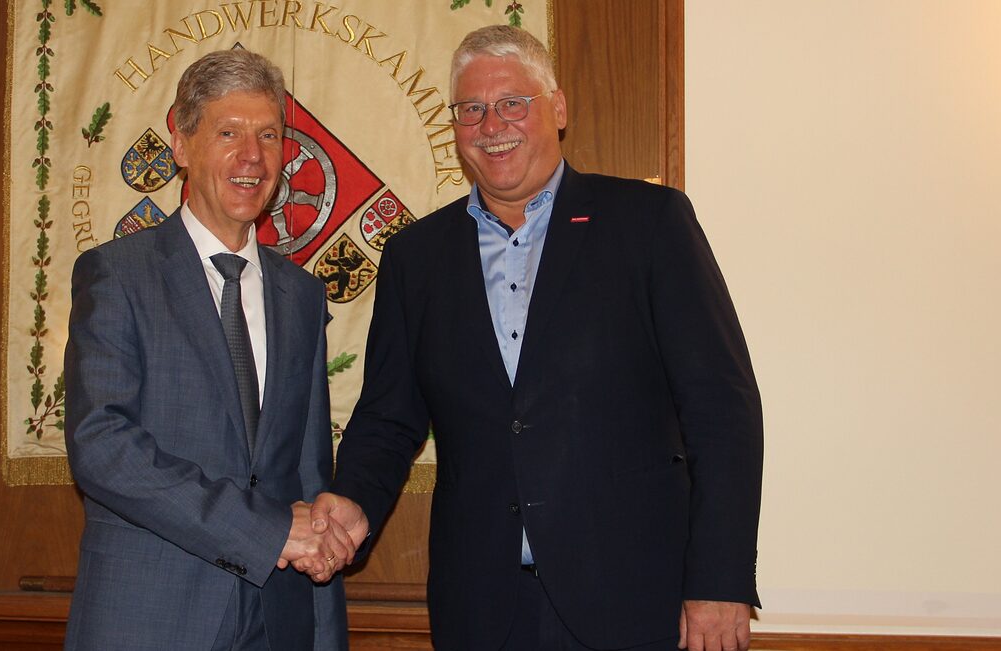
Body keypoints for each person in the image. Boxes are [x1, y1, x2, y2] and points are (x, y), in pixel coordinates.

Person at [309, 25, 763, 651]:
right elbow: (389, 417)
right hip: (482, 605)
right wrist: (352, 502)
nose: (492, 124)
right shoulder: (417, 257)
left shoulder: (649, 224)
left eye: (512, 102)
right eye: (472, 109)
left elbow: (722, 409)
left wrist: (720, 579)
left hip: (632, 599)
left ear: (557, 108)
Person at [63, 49, 350, 650]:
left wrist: (325, 632)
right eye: (228, 133)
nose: (252, 156)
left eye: (268, 135)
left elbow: (306, 470)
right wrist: (264, 532)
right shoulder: (117, 274)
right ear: (181, 143)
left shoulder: (300, 294)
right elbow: (102, 447)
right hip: (152, 620)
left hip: (277, 623)